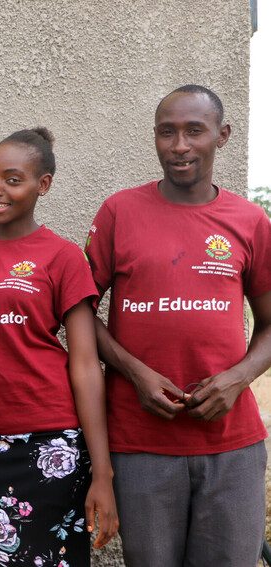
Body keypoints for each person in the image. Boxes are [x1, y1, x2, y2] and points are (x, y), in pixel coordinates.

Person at [85, 85, 271, 566]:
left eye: (194, 131)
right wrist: (134, 371)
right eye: (167, 132)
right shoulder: (118, 212)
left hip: (232, 443)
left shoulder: (249, 221)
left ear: (223, 135)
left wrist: (239, 377)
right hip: (140, 440)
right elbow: (79, 310)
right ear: (155, 138)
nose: (180, 145)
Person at [0, 128, 118, 566]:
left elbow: (87, 365)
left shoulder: (63, 256)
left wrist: (102, 473)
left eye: (13, 180)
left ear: (42, 185)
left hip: (56, 445)